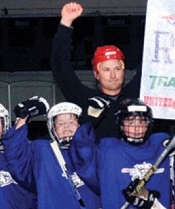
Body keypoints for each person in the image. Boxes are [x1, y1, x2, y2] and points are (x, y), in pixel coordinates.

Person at [78, 99, 175, 209]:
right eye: (130, 122)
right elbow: (80, 157)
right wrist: (87, 124)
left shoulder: (163, 143)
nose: (136, 128)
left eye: (142, 122)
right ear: (121, 125)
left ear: (149, 124)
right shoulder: (106, 149)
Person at [52, 1, 141, 139]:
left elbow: (155, 64)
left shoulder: (138, 95)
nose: (113, 75)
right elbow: (60, 67)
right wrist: (65, 23)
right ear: (96, 74)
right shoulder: (84, 99)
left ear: (124, 71)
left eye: (117, 68)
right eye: (106, 69)